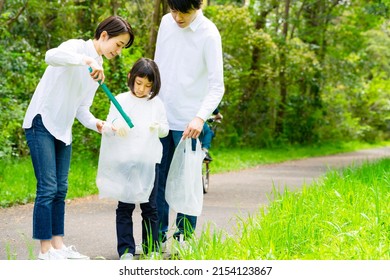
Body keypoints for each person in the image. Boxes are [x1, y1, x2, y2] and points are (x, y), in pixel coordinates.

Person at [22, 16, 135, 260]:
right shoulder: (76, 48)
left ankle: (58, 246)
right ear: (104, 35)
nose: (118, 50)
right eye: (118, 44)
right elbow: (50, 56)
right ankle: (45, 251)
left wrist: (101, 125)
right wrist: (85, 60)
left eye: (122, 47)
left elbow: (82, 110)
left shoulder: (98, 72)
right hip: (42, 121)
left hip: (63, 129)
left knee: (61, 189)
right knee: (48, 188)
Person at [154, 0, 224, 249]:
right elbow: (157, 68)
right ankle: (158, 238)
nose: (177, 17)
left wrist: (199, 117)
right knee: (157, 182)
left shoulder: (209, 33)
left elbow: (217, 86)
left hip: (189, 124)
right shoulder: (165, 23)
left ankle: (184, 240)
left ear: (198, 5)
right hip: (161, 119)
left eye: (184, 12)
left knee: (187, 184)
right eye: (173, 10)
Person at [96, 58, 168, 260]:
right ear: (130, 77)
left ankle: (152, 248)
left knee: (150, 207)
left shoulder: (156, 103)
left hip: (148, 161)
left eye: (147, 86)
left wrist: (158, 127)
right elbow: (111, 122)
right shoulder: (120, 100)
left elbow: (165, 130)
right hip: (125, 161)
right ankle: (126, 249)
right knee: (125, 206)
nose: (142, 89)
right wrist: (117, 124)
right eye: (138, 83)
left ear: (154, 85)